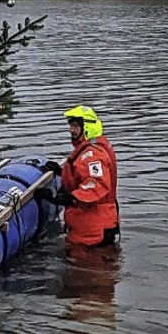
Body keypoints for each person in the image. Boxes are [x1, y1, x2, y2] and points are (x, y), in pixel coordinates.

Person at [41, 105, 120, 248]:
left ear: (87, 127)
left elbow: (97, 184)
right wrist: (62, 172)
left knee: (88, 268)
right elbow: (84, 174)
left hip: (93, 228)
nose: (71, 130)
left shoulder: (93, 154)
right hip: (91, 225)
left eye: (75, 126)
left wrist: (68, 198)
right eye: (71, 125)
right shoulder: (92, 149)